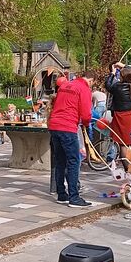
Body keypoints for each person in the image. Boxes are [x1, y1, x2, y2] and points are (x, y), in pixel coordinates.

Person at [48, 73, 94, 208]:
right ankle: (74, 197)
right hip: (68, 126)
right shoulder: (84, 88)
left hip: (54, 124)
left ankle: (61, 194)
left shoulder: (64, 85)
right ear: (90, 80)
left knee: (60, 160)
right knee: (74, 161)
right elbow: (86, 113)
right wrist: (86, 123)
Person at [106, 65, 131, 163]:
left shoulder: (117, 87)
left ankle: (127, 170)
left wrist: (112, 73)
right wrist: (125, 66)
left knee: (122, 144)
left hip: (120, 116)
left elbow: (108, 85)